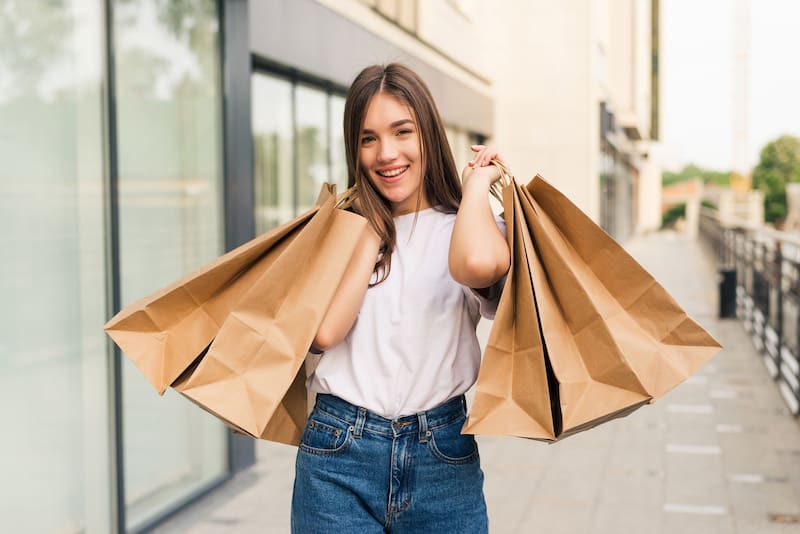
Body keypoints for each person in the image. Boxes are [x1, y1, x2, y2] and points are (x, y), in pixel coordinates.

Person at [291, 63, 510, 533]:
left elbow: (475, 266)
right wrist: (371, 230)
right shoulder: (341, 228)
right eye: (368, 138)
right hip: (337, 454)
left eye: (402, 131)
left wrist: (475, 188)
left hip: (442, 454)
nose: (386, 153)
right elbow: (324, 334)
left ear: (428, 133)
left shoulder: (469, 228)